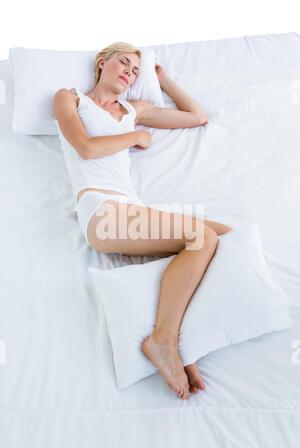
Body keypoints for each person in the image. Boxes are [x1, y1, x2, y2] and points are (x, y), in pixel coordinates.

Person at [54, 42, 233, 400]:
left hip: (131, 212)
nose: (130, 73)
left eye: (136, 71)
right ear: (102, 63)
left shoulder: (132, 109)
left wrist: (163, 81)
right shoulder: (71, 99)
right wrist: (134, 137)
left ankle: (179, 338)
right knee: (203, 238)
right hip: (101, 213)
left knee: (230, 239)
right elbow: (86, 148)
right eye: (124, 63)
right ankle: (163, 340)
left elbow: (197, 116)